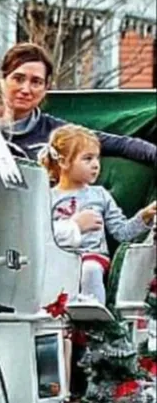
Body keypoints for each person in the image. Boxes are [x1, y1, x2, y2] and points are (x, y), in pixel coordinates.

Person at [39, 124, 156, 304]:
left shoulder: (99, 195)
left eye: (97, 159)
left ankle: (93, 313)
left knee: (90, 269)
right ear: (63, 162)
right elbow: (41, 234)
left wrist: (144, 216)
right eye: (87, 159)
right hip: (57, 257)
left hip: (92, 255)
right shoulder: (46, 197)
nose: (96, 165)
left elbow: (122, 232)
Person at [0, 43, 156, 165]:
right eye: (18, 79)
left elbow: (121, 144)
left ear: (46, 87)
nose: (26, 89)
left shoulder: (56, 133)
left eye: (36, 82)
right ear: (3, 79)